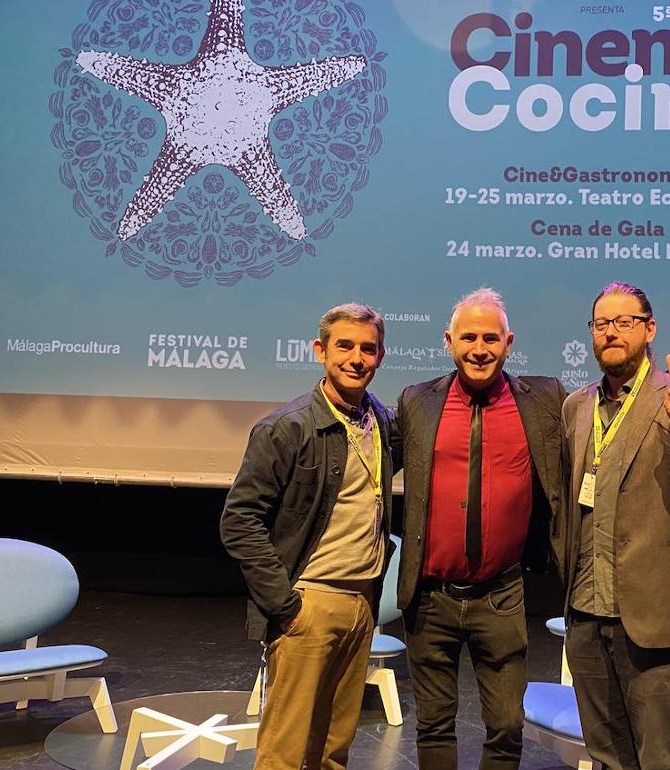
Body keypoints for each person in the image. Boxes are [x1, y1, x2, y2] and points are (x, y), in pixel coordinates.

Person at [557, 281, 670, 770]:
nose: (612, 333)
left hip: (656, 615)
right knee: (606, 756)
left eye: (625, 322)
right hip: (587, 609)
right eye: (602, 324)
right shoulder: (576, 407)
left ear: (649, 329)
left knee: (660, 757)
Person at [220, 302, 400, 770]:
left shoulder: (380, 422)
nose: (356, 358)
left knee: (334, 749)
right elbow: (239, 521)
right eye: (344, 346)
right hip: (309, 603)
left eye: (368, 349)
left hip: (362, 603)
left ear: (381, 356)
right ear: (320, 351)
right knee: (284, 751)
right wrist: (285, 605)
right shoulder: (286, 427)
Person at [395, 287, 566, 770]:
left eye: (491, 337)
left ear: (509, 343)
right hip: (430, 595)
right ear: (448, 342)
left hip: (501, 594)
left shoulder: (544, 399)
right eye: (468, 336)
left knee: (508, 727)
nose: (479, 348)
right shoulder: (416, 402)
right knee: (432, 727)